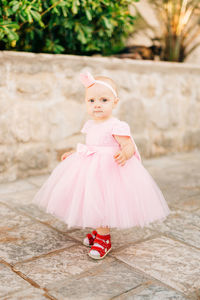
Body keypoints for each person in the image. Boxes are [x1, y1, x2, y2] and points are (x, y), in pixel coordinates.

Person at [32, 70, 171, 260]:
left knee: (104, 201)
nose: (97, 105)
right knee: (91, 199)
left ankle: (104, 238)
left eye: (104, 100)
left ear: (115, 102)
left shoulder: (117, 125)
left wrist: (125, 153)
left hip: (109, 169)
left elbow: (129, 145)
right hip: (90, 167)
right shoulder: (90, 124)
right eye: (91, 101)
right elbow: (91, 146)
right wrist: (74, 153)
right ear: (86, 103)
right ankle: (98, 231)